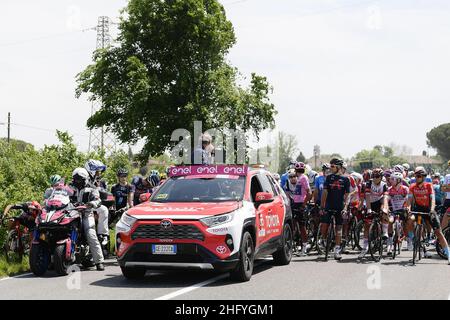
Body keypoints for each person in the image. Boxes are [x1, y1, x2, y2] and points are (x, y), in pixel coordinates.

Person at [406, 166, 450, 264]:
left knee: (438, 232)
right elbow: (409, 201)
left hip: (429, 209)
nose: (416, 178)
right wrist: (408, 209)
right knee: (409, 219)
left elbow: (433, 199)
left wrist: (431, 209)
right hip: (418, 210)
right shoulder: (412, 187)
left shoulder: (429, 185)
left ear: (423, 177)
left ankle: (448, 254)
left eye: (418, 176)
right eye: (415, 176)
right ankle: (413, 238)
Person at [70, 168, 105, 271]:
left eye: (80, 179)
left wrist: (91, 204)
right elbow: (61, 195)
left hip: (86, 213)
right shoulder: (68, 187)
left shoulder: (92, 188)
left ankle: (99, 261)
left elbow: (98, 200)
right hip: (70, 212)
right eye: (76, 179)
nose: (77, 181)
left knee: (90, 233)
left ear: (85, 179)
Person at [320, 158, 350, 261]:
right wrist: (322, 206)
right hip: (329, 205)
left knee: (338, 229)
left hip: (339, 207)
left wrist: (345, 207)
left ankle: (337, 250)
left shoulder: (346, 179)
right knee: (324, 225)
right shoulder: (328, 178)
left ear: (339, 167)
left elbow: (347, 195)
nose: (330, 168)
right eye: (330, 166)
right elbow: (325, 192)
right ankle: (323, 239)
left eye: (332, 166)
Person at [359, 168, 389, 259]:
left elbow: (385, 198)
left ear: (381, 177)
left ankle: (384, 232)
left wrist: (385, 209)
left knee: (385, 210)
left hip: (379, 201)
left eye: (377, 176)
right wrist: (368, 209)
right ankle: (365, 248)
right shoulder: (368, 184)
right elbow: (367, 197)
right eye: (374, 176)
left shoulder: (384, 185)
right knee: (367, 225)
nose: (375, 178)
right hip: (370, 203)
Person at [85, 159, 109, 246]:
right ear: (92, 170)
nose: (99, 173)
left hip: (90, 205)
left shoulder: (94, 180)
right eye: (97, 171)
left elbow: (96, 193)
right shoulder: (84, 178)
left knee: (103, 209)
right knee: (104, 210)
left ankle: (102, 234)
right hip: (79, 205)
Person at [387, 172, 409, 255]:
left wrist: (408, 208)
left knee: (406, 223)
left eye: (393, 179)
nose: (390, 181)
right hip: (394, 210)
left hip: (403, 210)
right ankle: (389, 242)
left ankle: (408, 240)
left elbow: (408, 201)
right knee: (390, 221)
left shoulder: (405, 189)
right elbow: (387, 199)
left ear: (398, 180)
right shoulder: (389, 189)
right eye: (391, 179)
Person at [292, 162, 312, 256]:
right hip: (295, 203)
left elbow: (309, 193)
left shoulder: (303, 178)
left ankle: (304, 246)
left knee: (302, 225)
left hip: (300, 204)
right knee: (294, 224)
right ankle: (297, 244)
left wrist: (304, 205)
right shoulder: (299, 178)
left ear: (296, 170)